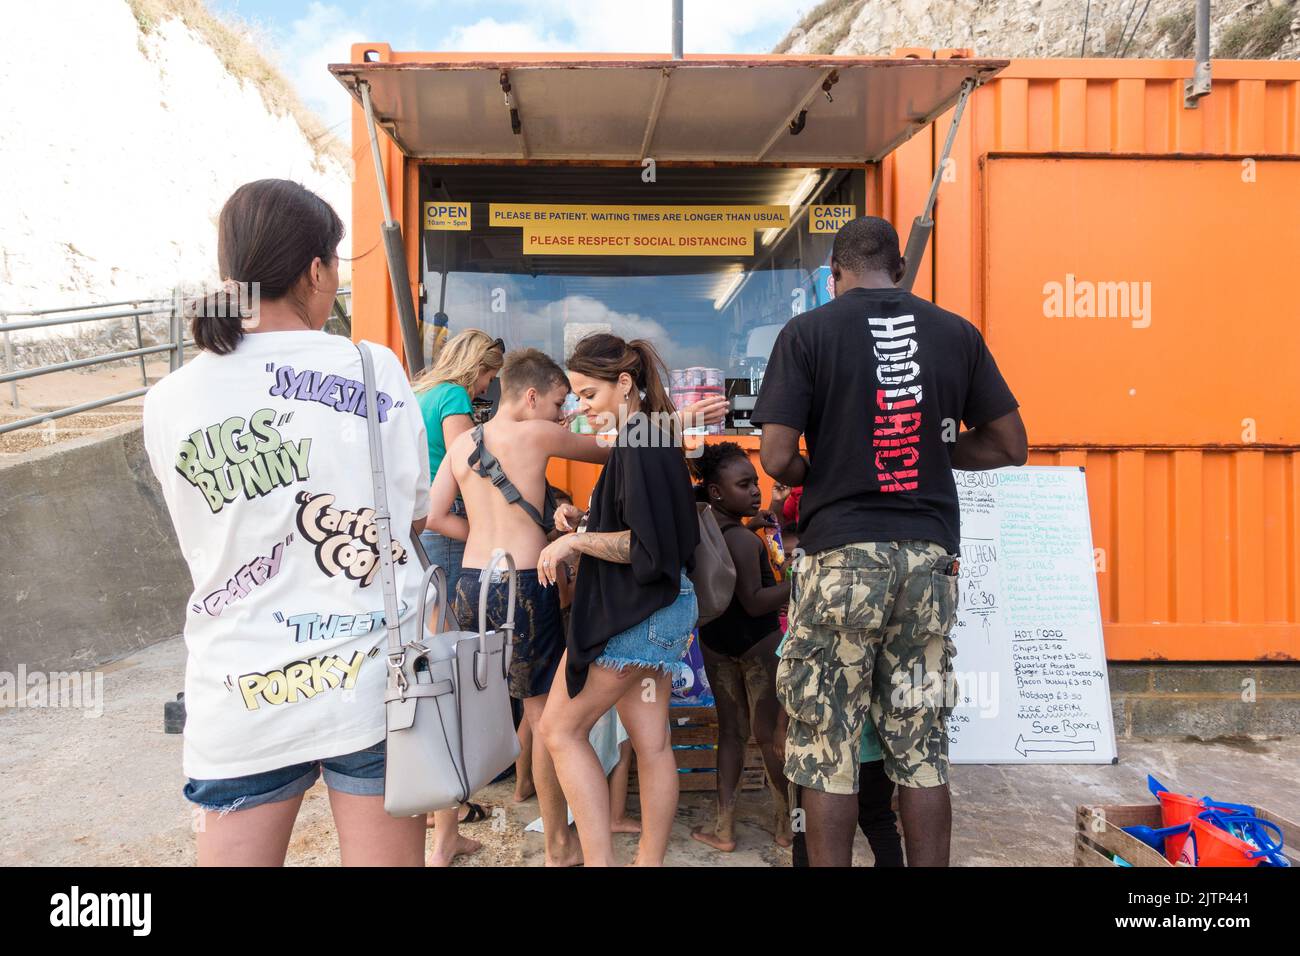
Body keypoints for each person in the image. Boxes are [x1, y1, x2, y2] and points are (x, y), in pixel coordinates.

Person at [142, 179, 430, 866]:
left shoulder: (170, 399)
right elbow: (414, 515)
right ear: (315, 271)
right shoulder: (373, 367)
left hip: (238, 691)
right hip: (373, 685)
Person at [752, 215, 1027, 867]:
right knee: (921, 746)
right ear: (900, 271)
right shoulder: (956, 333)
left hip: (842, 556)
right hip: (929, 558)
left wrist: (828, 468)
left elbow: (774, 456)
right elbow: (1012, 444)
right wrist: (930, 453)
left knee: (829, 745)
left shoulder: (807, 333)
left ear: (834, 275)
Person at [426, 348, 610, 867]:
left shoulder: (462, 443)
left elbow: (435, 517)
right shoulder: (537, 434)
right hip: (524, 585)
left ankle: (443, 842)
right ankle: (557, 846)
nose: (560, 413)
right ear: (530, 396)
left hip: (469, 582)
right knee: (546, 716)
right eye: (557, 403)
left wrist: (483, 538)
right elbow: (610, 450)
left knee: (460, 709)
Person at [535, 334, 700, 867]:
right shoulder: (653, 437)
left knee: (560, 729)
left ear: (624, 384)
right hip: (665, 610)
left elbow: (645, 546)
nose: (581, 409)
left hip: (637, 615)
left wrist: (575, 541)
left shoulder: (637, 441)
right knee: (651, 744)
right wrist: (588, 522)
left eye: (587, 395)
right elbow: (649, 531)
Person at [687, 442, 792, 853]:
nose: (755, 491)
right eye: (744, 484)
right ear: (716, 491)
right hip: (758, 645)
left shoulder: (704, 526)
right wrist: (797, 582)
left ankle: (724, 829)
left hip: (715, 643)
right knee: (768, 736)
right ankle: (786, 825)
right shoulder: (748, 544)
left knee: (730, 734)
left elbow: (723, 558)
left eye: (755, 483)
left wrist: (748, 525)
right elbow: (754, 601)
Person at [412, 328, 504, 588]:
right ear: (477, 368)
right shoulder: (454, 395)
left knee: (432, 608)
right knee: (450, 610)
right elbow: (466, 464)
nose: (487, 387)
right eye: (490, 377)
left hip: (420, 512)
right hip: (448, 514)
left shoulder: (421, 392)